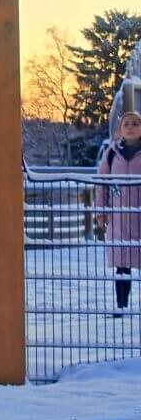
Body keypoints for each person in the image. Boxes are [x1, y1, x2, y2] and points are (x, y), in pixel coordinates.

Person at [96, 110, 141, 317]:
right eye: (127, 124)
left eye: (135, 123)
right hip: (120, 219)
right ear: (120, 130)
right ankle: (120, 307)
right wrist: (101, 212)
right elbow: (102, 185)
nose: (131, 127)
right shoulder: (112, 154)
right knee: (122, 266)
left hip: (139, 218)